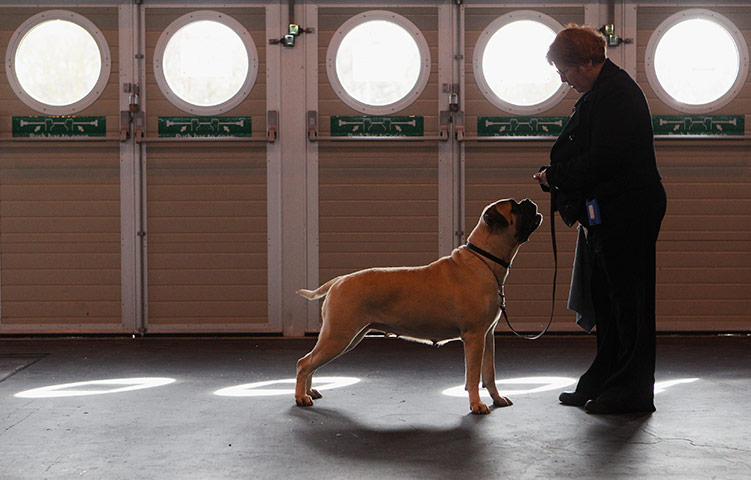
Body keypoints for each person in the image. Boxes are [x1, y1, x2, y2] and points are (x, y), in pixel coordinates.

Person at [533, 24, 666, 414]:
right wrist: (555, 173)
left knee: (630, 303)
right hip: (607, 209)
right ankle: (608, 376)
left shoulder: (617, 96)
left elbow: (605, 159)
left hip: (628, 210)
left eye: (566, 71)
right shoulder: (599, 93)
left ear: (588, 62)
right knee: (609, 302)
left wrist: (556, 176)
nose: (563, 79)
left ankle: (634, 390)